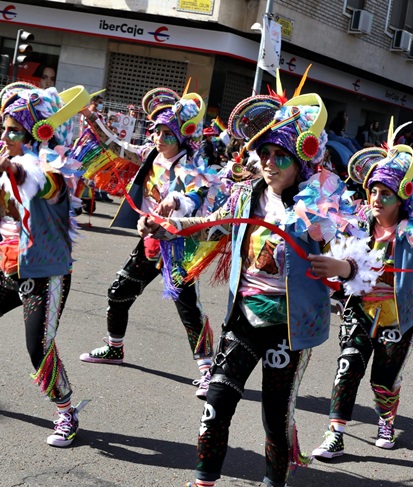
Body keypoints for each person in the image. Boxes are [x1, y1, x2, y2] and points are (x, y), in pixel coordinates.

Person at [139, 80, 346, 487]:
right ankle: (204, 481)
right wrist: (169, 227)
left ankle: (274, 482)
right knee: (216, 401)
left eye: (280, 156)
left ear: (300, 160)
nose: (269, 162)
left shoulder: (322, 204)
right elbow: (212, 224)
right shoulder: (245, 195)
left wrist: (341, 266)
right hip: (244, 317)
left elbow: (356, 252)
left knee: (274, 416)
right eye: (264, 153)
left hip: (288, 328)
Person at [311, 128, 413, 459]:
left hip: (400, 317)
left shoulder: (411, 230)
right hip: (359, 310)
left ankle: (386, 418)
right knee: (348, 366)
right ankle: (335, 433)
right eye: (373, 191)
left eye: (386, 194)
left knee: (382, 379)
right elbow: (328, 237)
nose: (377, 199)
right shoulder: (358, 224)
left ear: (402, 198)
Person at [78, 87, 216, 399]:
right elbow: (115, 146)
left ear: (181, 137)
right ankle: (115, 348)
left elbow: (199, 192)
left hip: (179, 245)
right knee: (119, 291)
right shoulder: (149, 154)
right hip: (151, 241)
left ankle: (208, 371)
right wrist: (90, 118)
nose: (161, 139)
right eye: (157, 131)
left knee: (188, 307)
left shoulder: (190, 164)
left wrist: (175, 201)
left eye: (169, 134)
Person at [0, 82, 90, 447]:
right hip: (6, 268)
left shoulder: (51, 171)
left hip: (44, 273)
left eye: (14, 131)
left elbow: (40, 183)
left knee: (37, 346)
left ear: (36, 134)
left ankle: (66, 411)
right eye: (3, 128)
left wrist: (13, 168)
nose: (6, 136)